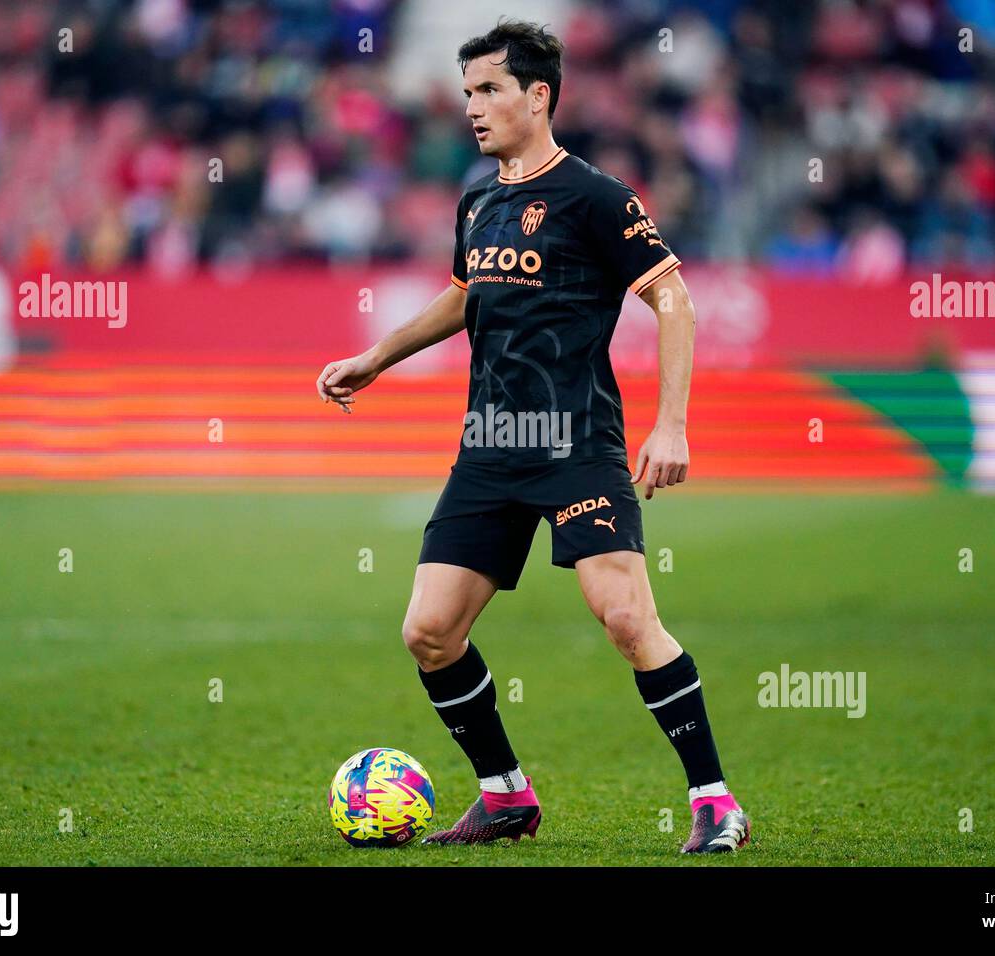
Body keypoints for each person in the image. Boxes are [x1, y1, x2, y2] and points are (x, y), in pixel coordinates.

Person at [315, 19, 748, 853]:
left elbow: (673, 300)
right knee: (429, 632)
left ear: (538, 95)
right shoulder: (478, 200)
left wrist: (671, 425)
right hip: (489, 445)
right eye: (469, 91)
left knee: (624, 617)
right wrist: (375, 358)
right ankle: (506, 797)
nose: (473, 107)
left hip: (578, 442)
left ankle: (715, 800)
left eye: (490, 90)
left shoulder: (596, 197)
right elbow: (463, 297)